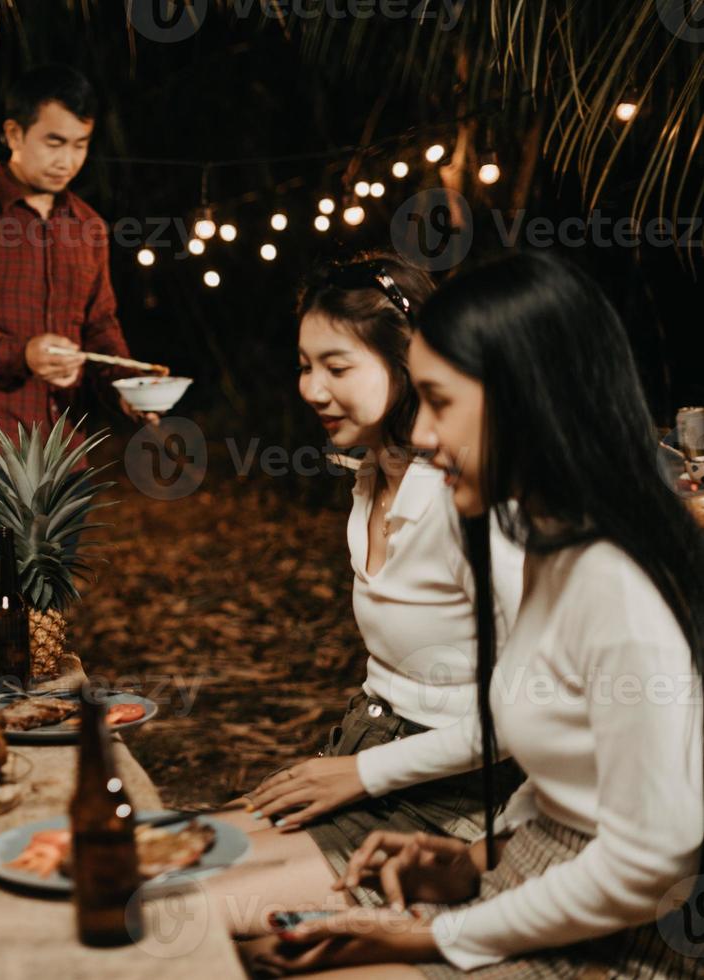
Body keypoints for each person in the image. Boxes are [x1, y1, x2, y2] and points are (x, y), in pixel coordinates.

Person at [252, 251, 704, 977]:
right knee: (263, 949)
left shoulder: (614, 580)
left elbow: (653, 857)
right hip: (525, 874)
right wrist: (467, 861)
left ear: (527, 400)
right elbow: (567, 782)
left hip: (625, 942)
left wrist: (437, 937)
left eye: (439, 401)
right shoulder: (552, 546)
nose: (424, 436)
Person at [208, 254, 524, 934]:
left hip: (460, 797)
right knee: (171, 858)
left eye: (337, 367)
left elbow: (533, 712)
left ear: (409, 365)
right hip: (366, 751)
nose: (312, 389)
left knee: (185, 912)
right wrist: (355, 763)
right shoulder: (368, 480)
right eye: (304, 365)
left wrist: (370, 772)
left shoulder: (465, 498)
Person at [0, 63, 155, 508]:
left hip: (67, 453)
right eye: (54, 142)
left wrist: (129, 385)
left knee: (57, 579)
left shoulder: (88, 227)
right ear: (15, 135)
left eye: (80, 145)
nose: (68, 161)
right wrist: (20, 353)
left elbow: (99, 325)